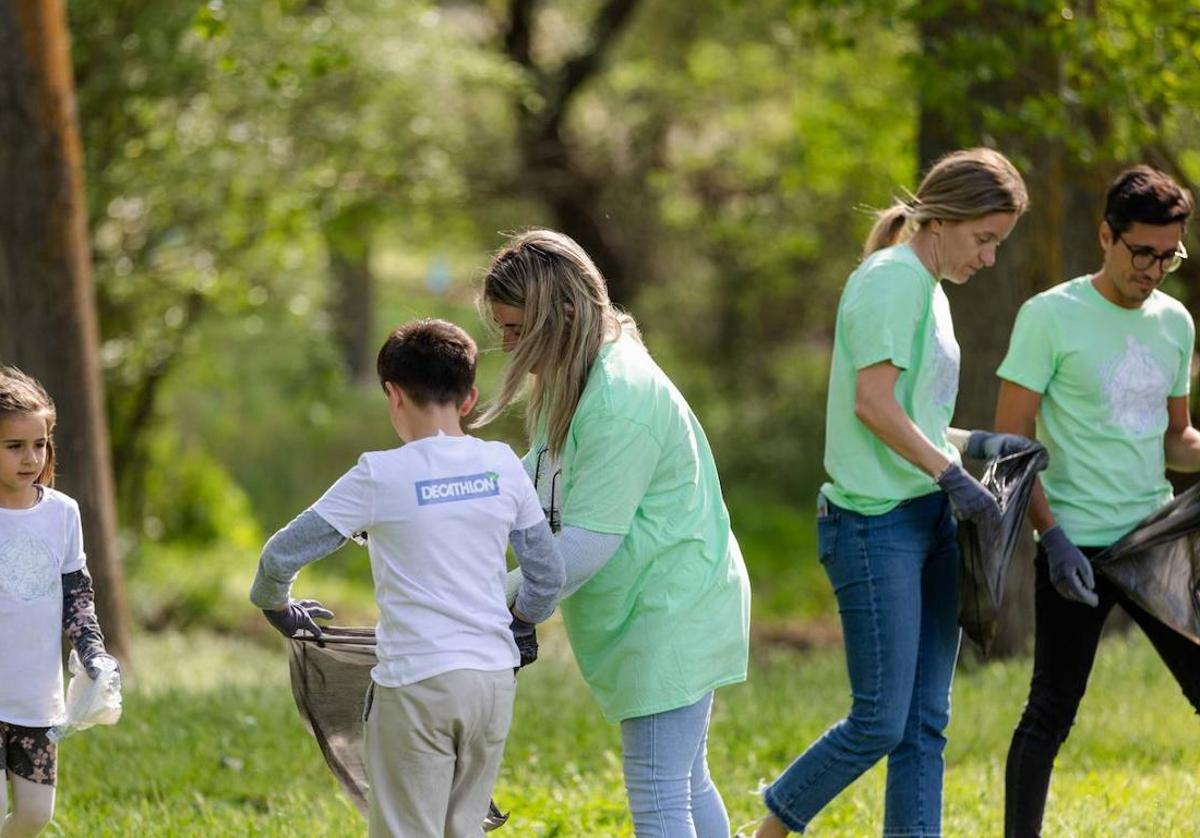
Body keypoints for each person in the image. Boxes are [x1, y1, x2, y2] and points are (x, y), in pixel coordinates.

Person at [753, 148, 1032, 838]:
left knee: (925, 723)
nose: (990, 258)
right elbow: (872, 406)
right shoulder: (889, 282)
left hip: (928, 517)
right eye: (985, 239)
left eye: (999, 243)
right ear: (944, 219)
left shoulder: (931, 291)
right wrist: (951, 474)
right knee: (880, 720)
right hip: (872, 525)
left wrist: (984, 448)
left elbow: (919, 417)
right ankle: (765, 833)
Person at [475, 229, 751, 837]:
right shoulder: (572, 374)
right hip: (668, 598)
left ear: (564, 315)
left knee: (658, 797)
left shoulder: (619, 395)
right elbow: (541, 476)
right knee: (684, 781)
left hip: (671, 605)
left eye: (517, 329)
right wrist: (463, 496)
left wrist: (485, 601)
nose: (506, 345)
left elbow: (583, 546)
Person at [248, 318, 565, 838]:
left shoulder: (380, 475)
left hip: (417, 684)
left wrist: (276, 606)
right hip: (490, 683)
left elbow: (281, 555)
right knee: (464, 828)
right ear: (468, 399)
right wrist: (522, 620)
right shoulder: (502, 466)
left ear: (393, 395)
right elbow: (547, 575)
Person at [996, 165, 1200, 837]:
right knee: (1050, 710)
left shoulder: (1175, 322)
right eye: (1142, 252)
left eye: (1168, 256)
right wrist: (1049, 538)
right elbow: (1011, 446)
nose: (1153, 269)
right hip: (1074, 544)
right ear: (1105, 236)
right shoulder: (1048, 318)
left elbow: (1176, 442)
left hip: (1154, 541)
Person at [0, 367, 120, 838]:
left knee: (34, 816)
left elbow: (78, 593)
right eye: (14, 446)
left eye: (40, 444)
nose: (31, 457)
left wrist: (92, 652)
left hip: (35, 697)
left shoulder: (62, 513)